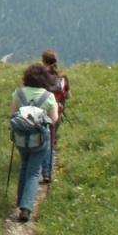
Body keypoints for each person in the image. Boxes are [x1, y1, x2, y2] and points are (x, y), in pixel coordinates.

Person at [10, 63, 60, 222]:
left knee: (24, 166)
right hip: (39, 140)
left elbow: (12, 115)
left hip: (21, 140)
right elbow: (53, 120)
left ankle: (20, 200)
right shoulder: (48, 96)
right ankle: (26, 207)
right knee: (33, 171)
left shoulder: (18, 94)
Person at [40, 49, 71, 183]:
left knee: (41, 140)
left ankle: (40, 167)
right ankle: (47, 172)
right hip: (57, 111)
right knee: (51, 140)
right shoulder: (63, 77)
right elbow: (69, 96)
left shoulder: (41, 76)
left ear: (43, 60)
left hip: (42, 111)